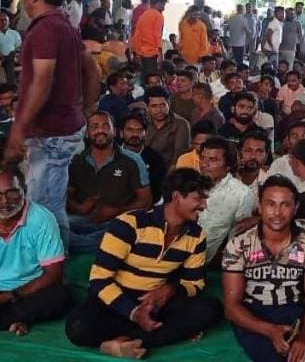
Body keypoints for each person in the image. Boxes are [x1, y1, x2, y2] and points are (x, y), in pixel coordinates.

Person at [64, 169, 223, 359]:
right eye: (199, 199)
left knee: (211, 310)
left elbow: (194, 283)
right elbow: (99, 280)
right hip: (116, 299)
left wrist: (169, 290)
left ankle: (124, 341)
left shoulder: (196, 235)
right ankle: (144, 335)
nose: (204, 206)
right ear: (177, 197)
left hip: (157, 302)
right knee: (78, 328)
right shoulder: (129, 224)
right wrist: (133, 312)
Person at [2, 0, 101, 252]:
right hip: (62, 127)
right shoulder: (66, 26)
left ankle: (56, 267)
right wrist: (87, 107)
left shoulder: (45, 30)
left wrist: (18, 130)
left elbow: (42, 80)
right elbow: (92, 69)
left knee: (45, 207)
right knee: (48, 203)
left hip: (51, 131)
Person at [222, 175, 305, 362]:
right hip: (253, 314)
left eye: (285, 205)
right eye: (271, 204)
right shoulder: (238, 245)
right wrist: (270, 330)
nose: (277, 212)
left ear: (296, 209)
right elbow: (232, 306)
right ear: (260, 207)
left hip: (292, 311)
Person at [0, 167, 72, 336]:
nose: (4, 201)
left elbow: (53, 275)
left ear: (24, 190)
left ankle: (12, 316)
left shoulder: (41, 219)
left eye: (11, 193)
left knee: (59, 296)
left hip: (28, 291)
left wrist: (10, 295)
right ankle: (17, 318)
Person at [67, 111, 152, 253]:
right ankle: (91, 245)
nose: (100, 130)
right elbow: (68, 196)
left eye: (106, 126)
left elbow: (145, 201)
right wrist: (80, 208)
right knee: (59, 228)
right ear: (87, 133)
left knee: (119, 232)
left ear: (115, 132)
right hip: (82, 219)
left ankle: (86, 245)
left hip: (118, 221)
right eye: (94, 126)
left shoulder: (132, 160)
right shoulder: (76, 160)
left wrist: (117, 211)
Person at [197, 137, 257, 263]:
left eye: (213, 160)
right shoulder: (189, 185)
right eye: (202, 158)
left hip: (210, 260)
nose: (204, 164)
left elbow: (238, 237)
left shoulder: (241, 193)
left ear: (228, 165)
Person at [144, 86, 191, 171]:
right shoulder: (143, 122)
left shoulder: (181, 124)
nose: (159, 110)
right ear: (147, 107)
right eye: (154, 106)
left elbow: (178, 157)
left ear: (168, 103)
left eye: (163, 105)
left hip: (169, 172)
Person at [131, 0, 167, 75]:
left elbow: (136, 35)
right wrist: (160, 52)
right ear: (158, 3)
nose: (164, 7)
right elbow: (157, 35)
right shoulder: (158, 15)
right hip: (152, 52)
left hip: (142, 52)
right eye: (163, 4)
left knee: (145, 78)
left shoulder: (143, 15)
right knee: (152, 77)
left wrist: (137, 51)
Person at [0, 11, 22, 83]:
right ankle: (12, 86)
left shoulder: (15, 33)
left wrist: (15, 53)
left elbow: (19, 48)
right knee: (9, 59)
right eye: (0, 20)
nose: (3, 22)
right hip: (1, 58)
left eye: (5, 20)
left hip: (12, 58)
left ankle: (11, 85)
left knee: (11, 57)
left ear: (9, 21)